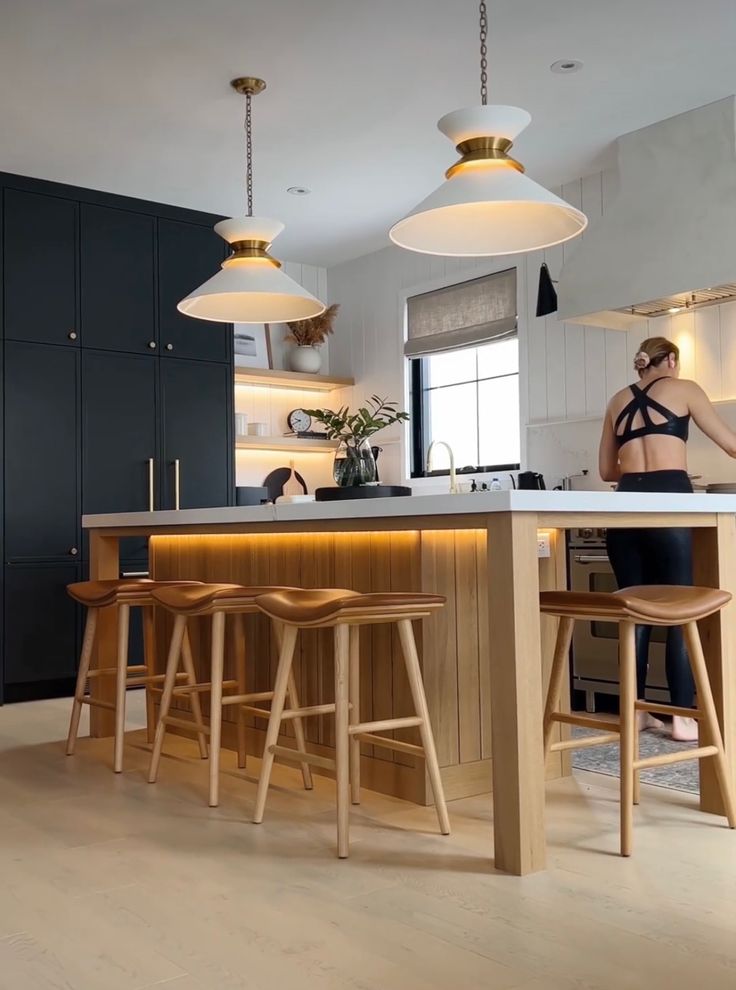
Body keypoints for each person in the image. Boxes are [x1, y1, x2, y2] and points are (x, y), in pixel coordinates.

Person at [598, 336, 736, 740]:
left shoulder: (616, 399)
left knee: (635, 610)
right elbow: (730, 445)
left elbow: (608, 470)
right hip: (670, 503)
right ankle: (680, 717)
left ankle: (634, 712)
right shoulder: (686, 388)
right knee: (680, 611)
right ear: (671, 360)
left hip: (623, 509)